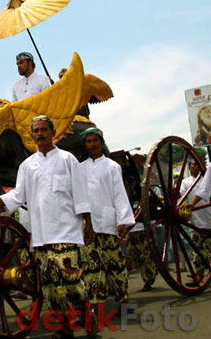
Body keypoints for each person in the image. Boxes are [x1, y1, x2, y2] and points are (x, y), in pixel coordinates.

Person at [0, 115, 91, 339]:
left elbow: (81, 193)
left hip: (67, 230)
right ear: (31, 135)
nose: (39, 134)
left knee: (71, 281)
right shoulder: (27, 166)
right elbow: (17, 196)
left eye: (44, 129)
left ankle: (85, 309)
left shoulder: (68, 159)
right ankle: (64, 329)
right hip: (41, 235)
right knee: (49, 285)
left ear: (53, 132)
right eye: (35, 131)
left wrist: (88, 224)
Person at [78, 128, 135, 316]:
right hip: (88, 226)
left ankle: (123, 300)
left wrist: (122, 220)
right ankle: (95, 308)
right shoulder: (80, 169)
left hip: (109, 223)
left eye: (95, 140)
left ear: (101, 143)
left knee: (115, 265)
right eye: (88, 141)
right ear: (85, 145)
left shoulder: (112, 166)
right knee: (91, 267)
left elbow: (119, 195)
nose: (92, 144)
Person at [179, 161, 211, 285]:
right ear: (189, 167)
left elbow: (204, 191)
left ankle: (207, 276)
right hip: (196, 221)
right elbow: (180, 197)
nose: (195, 166)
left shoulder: (206, 177)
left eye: (197, 164)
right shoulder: (185, 182)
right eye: (193, 164)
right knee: (196, 251)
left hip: (209, 218)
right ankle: (199, 277)